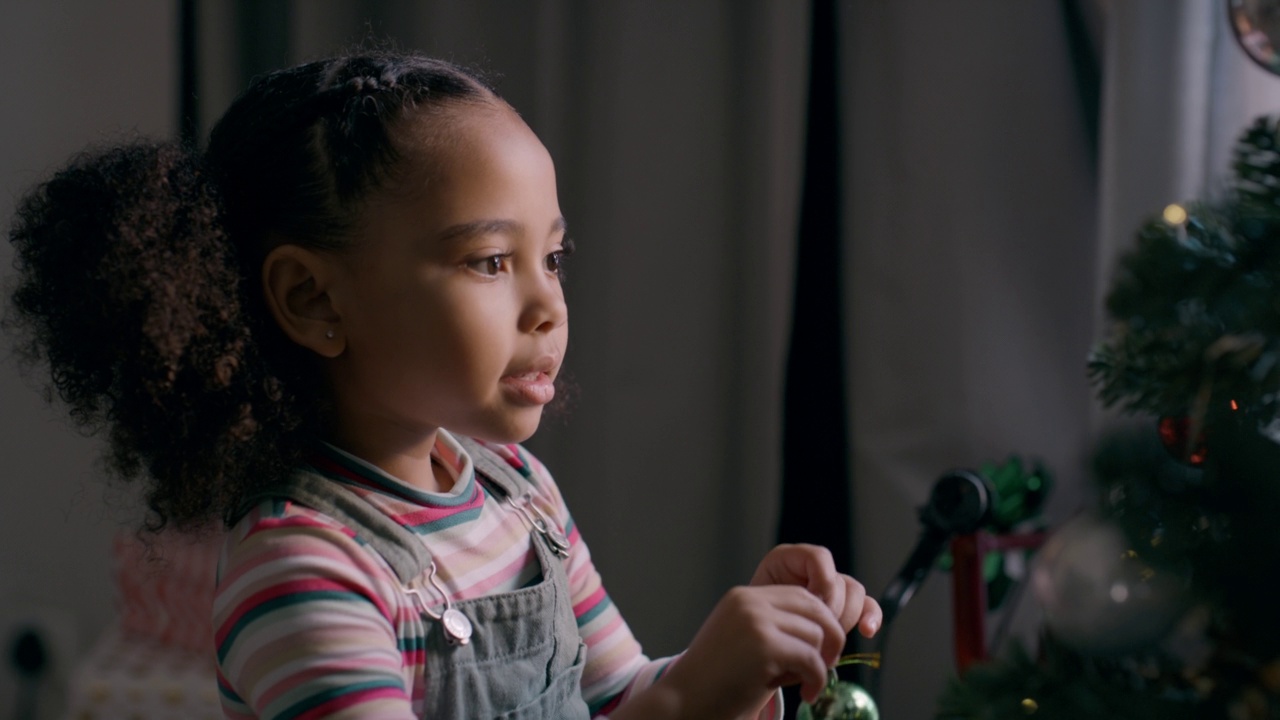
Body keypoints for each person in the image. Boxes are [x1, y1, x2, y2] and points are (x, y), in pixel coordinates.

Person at [6, 50, 881, 719]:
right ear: (313, 299)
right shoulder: (302, 570)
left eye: (554, 257)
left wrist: (730, 665)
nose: (549, 306)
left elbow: (616, 700)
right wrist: (688, 704)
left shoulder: (519, 492)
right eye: (491, 260)